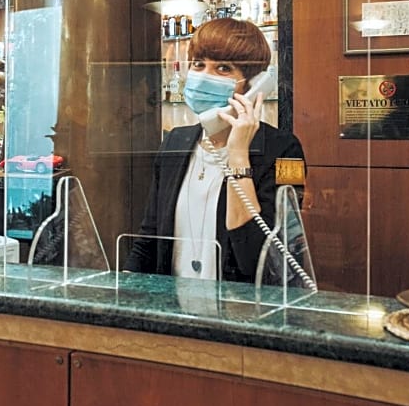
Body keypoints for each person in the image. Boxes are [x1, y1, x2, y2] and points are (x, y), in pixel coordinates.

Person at [124, 18, 305, 283]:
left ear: (254, 84)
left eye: (223, 68)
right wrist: (124, 286)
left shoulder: (286, 150)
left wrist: (238, 155)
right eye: (198, 64)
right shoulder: (174, 141)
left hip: (240, 303)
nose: (204, 76)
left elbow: (257, 258)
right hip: (174, 302)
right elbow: (150, 237)